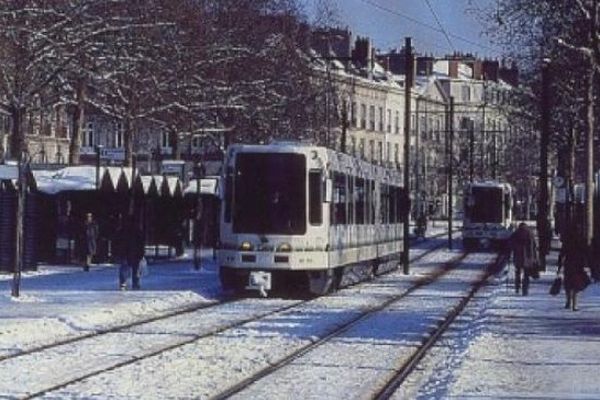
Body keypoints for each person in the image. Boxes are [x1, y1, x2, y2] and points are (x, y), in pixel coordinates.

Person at [558, 227, 591, 311]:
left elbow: (562, 254)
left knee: (568, 284)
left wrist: (559, 266)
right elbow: (585, 253)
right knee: (576, 285)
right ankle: (575, 304)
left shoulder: (567, 242)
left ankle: (568, 301)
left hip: (568, 264)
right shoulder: (581, 241)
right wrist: (586, 264)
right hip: (578, 265)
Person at [115, 217, 145, 290]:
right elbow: (141, 243)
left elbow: (116, 243)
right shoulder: (138, 231)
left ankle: (124, 283)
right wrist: (141, 253)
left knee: (125, 269)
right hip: (134, 253)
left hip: (125, 252)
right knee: (135, 269)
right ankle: (135, 283)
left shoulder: (121, 231)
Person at [509, 222, 538, 296]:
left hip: (518, 256)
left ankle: (517, 286)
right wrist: (535, 257)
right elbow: (534, 246)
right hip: (528, 257)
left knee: (518, 272)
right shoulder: (530, 233)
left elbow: (510, 244)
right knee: (526, 274)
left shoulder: (516, 233)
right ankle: (525, 290)